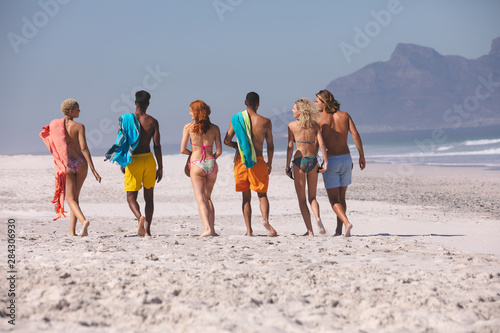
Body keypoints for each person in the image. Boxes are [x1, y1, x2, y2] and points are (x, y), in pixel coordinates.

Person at [40, 99, 101, 237]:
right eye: (77, 109)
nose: (80, 111)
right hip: (80, 163)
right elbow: (84, 148)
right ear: (70, 111)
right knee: (75, 198)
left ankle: (83, 221)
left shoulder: (55, 125)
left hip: (67, 164)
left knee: (70, 198)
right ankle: (72, 232)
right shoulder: (79, 126)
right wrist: (93, 169)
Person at [106, 90, 163, 237]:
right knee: (149, 198)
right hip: (149, 160)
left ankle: (140, 218)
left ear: (135, 102)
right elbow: (157, 145)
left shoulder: (125, 119)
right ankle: (148, 231)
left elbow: (121, 142)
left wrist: (122, 163)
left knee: (131, 196)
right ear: (148, 104)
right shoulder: (152, 121)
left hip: (133, 160)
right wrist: (160, 167)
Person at [224, 92, 277, 237]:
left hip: (242, 161)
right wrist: (270, 163)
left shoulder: (236, 119)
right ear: (258, 104)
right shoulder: (265, 122)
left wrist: (238, 146)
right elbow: (270, 145)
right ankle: (265, 220)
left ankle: (249, 231)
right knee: (262, 194)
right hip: (258, 160)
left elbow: (227, 140)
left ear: (245, 102)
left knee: (246, 197)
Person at [316, 89, 365, 237]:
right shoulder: (344, 116)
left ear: (324, 103)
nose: (315, 103)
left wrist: (313, 160)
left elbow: (317, 143)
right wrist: (361, 155)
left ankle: (346, 223)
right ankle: (339, 230)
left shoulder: (318, 119)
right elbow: (355, 134)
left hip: (331, 161)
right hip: (346, 159)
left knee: (333, 199)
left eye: (318, 101)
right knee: (342, 197)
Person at [286, 98, 328, 236]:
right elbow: (321, 144)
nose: (292, 110)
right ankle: (317, 217)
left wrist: (287, 166)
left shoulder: (292, 125)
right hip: (313, 160)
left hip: (299, 162)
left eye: (294, 108)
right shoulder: (315, 125)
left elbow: (290, 147)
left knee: (302, 199)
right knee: (313, 197)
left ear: (300, 111)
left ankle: (310, 231)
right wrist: (325, 162)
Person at [180, 100, 222, 237]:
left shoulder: (188, 127)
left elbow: (182, 150)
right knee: (208, 197)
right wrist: (211, 159)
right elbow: (219, 151)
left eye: (191, 111)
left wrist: (192, 154)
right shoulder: (215, 128)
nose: (189, 113)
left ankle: (207, 228)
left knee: (200, 199)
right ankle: (213, 230)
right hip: (211, 163)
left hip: (196, 163)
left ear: (197, 112)